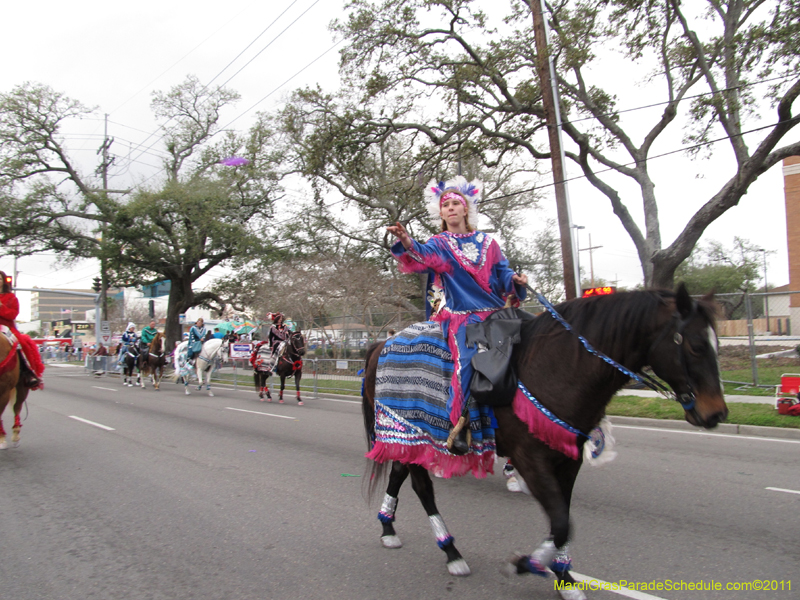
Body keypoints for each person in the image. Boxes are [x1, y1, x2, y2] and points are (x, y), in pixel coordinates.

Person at [386, 176, 528, 455]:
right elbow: (423, 255)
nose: (450, 208)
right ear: (441, 213)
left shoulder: (488, 242)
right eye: (446, 205)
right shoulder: (440, 243)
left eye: (455, 204)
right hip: (462, 316)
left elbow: (502, 272)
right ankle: (461, 424)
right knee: (468, 360)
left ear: (466, 209)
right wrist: (406, 240)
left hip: (496, 313)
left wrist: (515, 281)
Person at [0, 271, 45, 389]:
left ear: (3, 281)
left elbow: (13, 314)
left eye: (0, 279)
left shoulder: (11, 297)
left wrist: (1, 307)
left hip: (6, 327)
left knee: (21, 344)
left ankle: (28, 372)